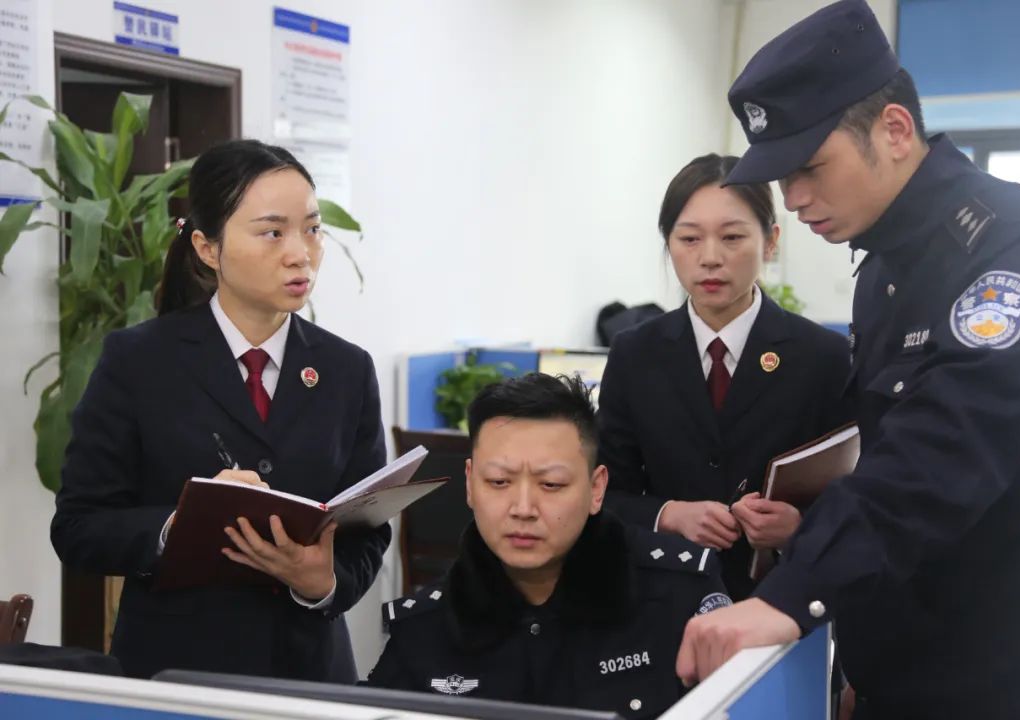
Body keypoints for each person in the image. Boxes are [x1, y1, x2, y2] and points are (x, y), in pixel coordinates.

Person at [676, 2, 1020, 718]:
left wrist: (792, 597)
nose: (795, 200)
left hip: (997, 672)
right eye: (783, 177)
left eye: (810, 168)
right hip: (903, 661)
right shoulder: (883, 267)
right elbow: (882, 454)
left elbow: (944, 449)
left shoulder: (1014, 244)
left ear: (893, 130)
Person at [51, 139, 390, 683]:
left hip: (309, 675)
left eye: (312, 228)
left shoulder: (347, 369)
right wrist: (178, 526)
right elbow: (78, 526)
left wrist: (323, 582)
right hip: (177, 673)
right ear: (208, 248)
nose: (300, 253)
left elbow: (368, 531)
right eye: (273, 232)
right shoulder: (139, 361)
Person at [368, 373, 730, 720]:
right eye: (499, 481)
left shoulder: (678, 595)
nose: (523, 509)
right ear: (469, 484)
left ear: (596, 489)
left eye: (551, 484)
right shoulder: (423, 628)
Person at [598, 153, 853, 601]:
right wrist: (668, 514)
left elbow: (856, 491)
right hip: (662, 597)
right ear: (668, 244)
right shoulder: (635, 354)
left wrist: (799, 526)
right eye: (689, 238)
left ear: (770, 241)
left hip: (780, 600)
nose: (710, 258)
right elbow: (604, 493)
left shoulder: (822, 357)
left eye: (732, 237)